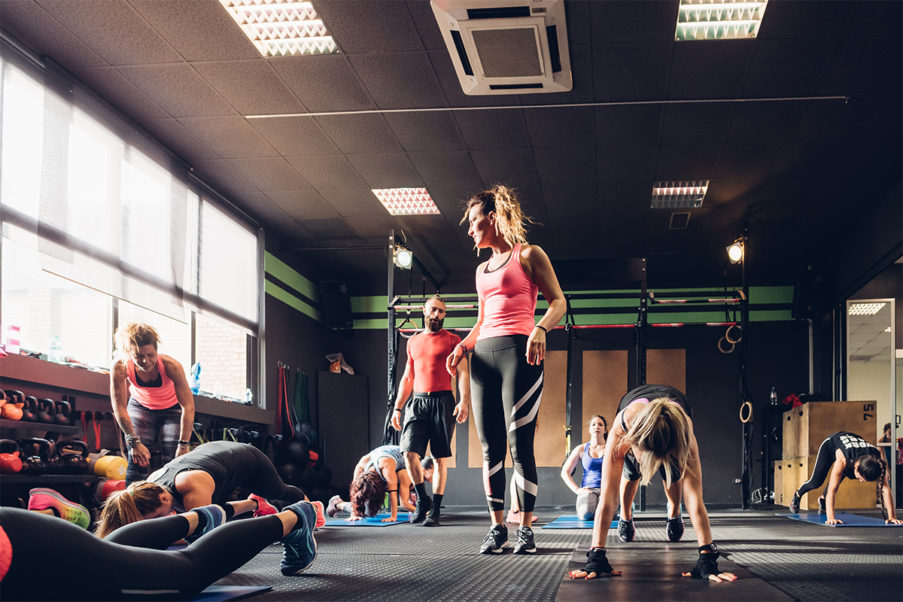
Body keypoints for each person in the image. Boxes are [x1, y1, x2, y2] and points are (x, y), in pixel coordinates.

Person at [446, 184, 566, 555]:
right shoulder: (481, 270)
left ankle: (526, 529)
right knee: (489, 449)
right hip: (483, 356)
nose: (469, 230)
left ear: (492, 217)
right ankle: (497, 528)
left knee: (519, 445)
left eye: (474, 221)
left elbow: (559, 301)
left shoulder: (528, 254)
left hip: (520, 352)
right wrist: (462, 347)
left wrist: (540, 329)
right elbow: (482, 321)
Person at [569, 385, 737, 583]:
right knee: (631, 473)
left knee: (675, 476)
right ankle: (626, 515)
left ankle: (674, 513)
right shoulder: (622, 430)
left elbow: (694, 498)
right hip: (634, 414)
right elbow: (607, 497)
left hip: (673, 422)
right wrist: (596, 555)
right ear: (634, 444)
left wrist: (707, 557)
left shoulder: (684, 435)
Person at [0, 499, 319, 599]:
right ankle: (197, 519)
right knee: (106, 551)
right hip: (18, 534)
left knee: (187, 570)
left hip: (22, 553)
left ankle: (294, 519)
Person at [96, 440, 320, 537]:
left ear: (164, 499)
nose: (155, 523)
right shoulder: (152, 483)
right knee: (216, 509)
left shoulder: (190, 486)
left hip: (249, 459)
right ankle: (255, 503)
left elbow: (207, 536)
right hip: (214, 458)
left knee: (279, 492)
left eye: (154, 518)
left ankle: (311, 508)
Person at [391, 294, 471, 526]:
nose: (437, 315)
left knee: (439, 458)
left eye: (441, 312)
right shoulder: (413, 342)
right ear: (424, 311)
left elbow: (464, 373)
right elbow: (408, 376)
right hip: (416, 402)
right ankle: (423, 500)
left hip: (442, 401)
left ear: (445, 315)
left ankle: (435, 509)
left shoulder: (454, 341)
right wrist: (397, 407)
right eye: (433, 310)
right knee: (408, 453)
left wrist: (463, 401)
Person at [110, 322, 195, 484]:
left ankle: (171, 507)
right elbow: (119, 407)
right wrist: (134, 442)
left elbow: (188, 407)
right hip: (141, 405)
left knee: (173, 462)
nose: (145, 361)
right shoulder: (120, 366)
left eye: (150, 355)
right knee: (137, 460)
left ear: (156, 350)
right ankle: (132, 507)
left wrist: (184, 445)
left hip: (172, 408)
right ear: (129, 353)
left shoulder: (172, 366)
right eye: (139, 356)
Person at [788, 431, 902, 525]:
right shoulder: (842, 460)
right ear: (856, 467)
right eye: (861, 478)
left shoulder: (877, 461)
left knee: (840, 477)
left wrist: (892, 517)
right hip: (831, 445)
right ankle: (798, 494)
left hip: (855, 451)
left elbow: (885, 489)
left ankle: (822, 499)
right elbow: (832, 490)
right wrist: (831, 517)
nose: (861, 482)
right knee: (816, 482)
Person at [325, 445, 419, 523]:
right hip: (381, 462)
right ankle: (337, 504)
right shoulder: (360, 467)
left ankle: (417, 503)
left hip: (402, 464)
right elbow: (354, 493)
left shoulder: (386, 467)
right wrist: (353, 514)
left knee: (405, 480)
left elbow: (393, 493)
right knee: (368, 512)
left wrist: (393, 516)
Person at [561, 415, 608, 521]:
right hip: (589, 490)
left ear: (605, 430)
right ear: (590, 429)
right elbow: (565, 472)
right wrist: (577, 490)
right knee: (585, 515)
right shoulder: (581, 449)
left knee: (606, 515)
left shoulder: (611, 448)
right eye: (593, 424)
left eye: (600, 424)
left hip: (607, 489)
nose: (597, 427)